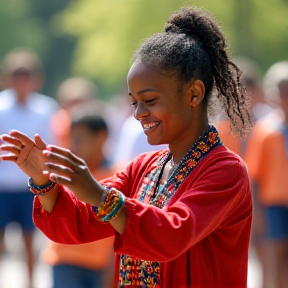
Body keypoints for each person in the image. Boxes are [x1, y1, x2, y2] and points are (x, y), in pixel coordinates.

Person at [0, 7, 253, 288]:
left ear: (193, 94)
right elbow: (79, 222)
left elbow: (171, 235)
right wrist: (43, 180)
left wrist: (98, 193)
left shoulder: (226, 170)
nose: (138, 113)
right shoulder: (144, 167)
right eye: (134, 102)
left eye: (150, 100)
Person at [42, 92, 115, 288]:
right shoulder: (63, 174)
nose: (74, 146)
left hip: (101, 266)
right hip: (65, 260)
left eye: (80, 139)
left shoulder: (119, 174)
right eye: (71, 139)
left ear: (101, 137)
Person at [0, 48, 59, 288]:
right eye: (16, 76)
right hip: (3, 184)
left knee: (29, 240)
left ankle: (31, 284)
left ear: (34, 79)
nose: (21, 82)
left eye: (25, 76)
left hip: (30, 185)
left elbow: (51, 145)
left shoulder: (46, 108)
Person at [244, 61, 288, 288]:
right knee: (272, 265)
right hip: (272, 206)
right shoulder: (265, 131)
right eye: (282, 92)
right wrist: (257, 213)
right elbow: (254, 175)